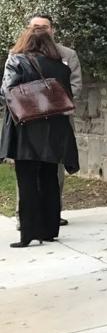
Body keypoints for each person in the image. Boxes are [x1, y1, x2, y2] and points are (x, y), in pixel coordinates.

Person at [1, 28, 80, 248]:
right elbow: (67, 96)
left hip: (26, 128)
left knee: (26, 180)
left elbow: (6, 92)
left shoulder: (17, 62)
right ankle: (49, 229)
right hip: (54, 129)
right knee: (49, 178)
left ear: (25, 42)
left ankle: (29, 232)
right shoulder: (60, 67)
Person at [26, 13, 81, 227]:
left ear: (52, 30)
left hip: (58, 120)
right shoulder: (18, 55)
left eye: (44, 26)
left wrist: (53, 104)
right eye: (35, 26)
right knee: (29, 168)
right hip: (30, 122)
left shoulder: (68, 55)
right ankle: (27, 216)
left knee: (55, 169)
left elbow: (75, 86)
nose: (40, 30)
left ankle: (52, 213)